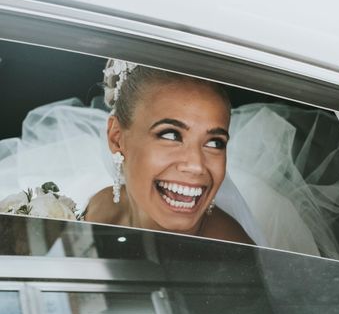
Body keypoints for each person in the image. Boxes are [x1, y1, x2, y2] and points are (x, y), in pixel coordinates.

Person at [84, 60, 253, 243]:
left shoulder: (232, 255)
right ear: (117, 138)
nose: (196, 166)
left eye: (214, 143)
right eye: (171, 135)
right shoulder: (100, 208)